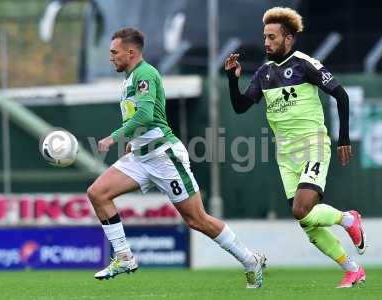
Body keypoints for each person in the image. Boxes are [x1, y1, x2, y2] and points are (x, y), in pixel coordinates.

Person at [87, 27, 266, 288]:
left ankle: (250, 261)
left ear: (131, 51)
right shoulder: (129, 78)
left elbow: (146, 116)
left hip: (164, 156)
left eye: (114, 52)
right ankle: (124, 256)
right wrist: (135, 141)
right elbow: (142, 118)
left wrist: (115, 137)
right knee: (97, 193)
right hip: (141, 156)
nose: (111, 57)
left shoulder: (145, 73)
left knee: (197, 220)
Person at [225, 7, 366, 288]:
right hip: (286, 155)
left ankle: (348, 219)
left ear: (288, 39)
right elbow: (240, 107)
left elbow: (341, 94)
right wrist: (232, 78)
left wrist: (344, 138)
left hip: (313, 145)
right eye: (265, 37)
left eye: (272, 37)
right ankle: (353, 270)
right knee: (307, 223)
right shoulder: (263, 74)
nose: (266, 42)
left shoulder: (304, 64)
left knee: (301, 210)